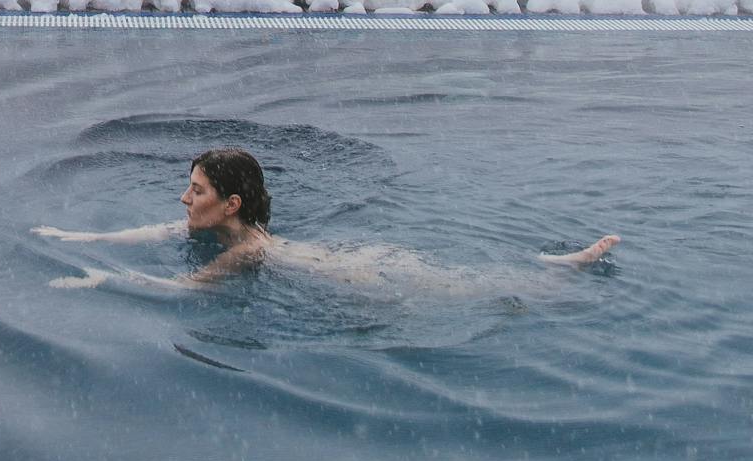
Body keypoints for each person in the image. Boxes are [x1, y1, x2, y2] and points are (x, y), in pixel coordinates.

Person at [33, 146, 619, 294]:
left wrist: (104, 279)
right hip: (350, 263)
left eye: (197, 190)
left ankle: (559, 270)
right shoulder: (224, 231)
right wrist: (78, 237)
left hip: (368, 279)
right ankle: (554, 266)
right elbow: (152, 232)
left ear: (230, 205)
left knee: (474, 288)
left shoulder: (247, 252)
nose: (184, 200)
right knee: (471, 281)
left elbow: (183, 289)